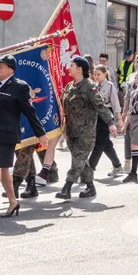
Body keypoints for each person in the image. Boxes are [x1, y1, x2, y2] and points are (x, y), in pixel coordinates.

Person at [0, 55, 48, 221]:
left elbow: (30, 112)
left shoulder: (19, 87)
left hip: (7, 134)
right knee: (4, 170)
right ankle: (13, 202)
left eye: (1, 66)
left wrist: (41, 134)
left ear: (11, 69)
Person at [56, 57, 117, 200]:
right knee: (81, 161)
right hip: (71, 131)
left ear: (79, 69)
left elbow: (100, 106)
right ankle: (90, 186)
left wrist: (111, 123)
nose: (68, 68)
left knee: (78, 159)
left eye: (72, 65)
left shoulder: (90, 86)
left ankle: (67, 187)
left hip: (86, 132)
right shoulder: (69, 86)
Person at [88, 64, 123, 178]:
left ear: (104, 74)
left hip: (106, 114)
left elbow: (115, 103)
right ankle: (117, 166)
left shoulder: (110, 86)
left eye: (99, 74)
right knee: (106, 144)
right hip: (96, 116)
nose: (96, 76)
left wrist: (119, 119)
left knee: (99, 144)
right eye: (95, 74)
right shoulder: (94, 86)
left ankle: (90, 169)